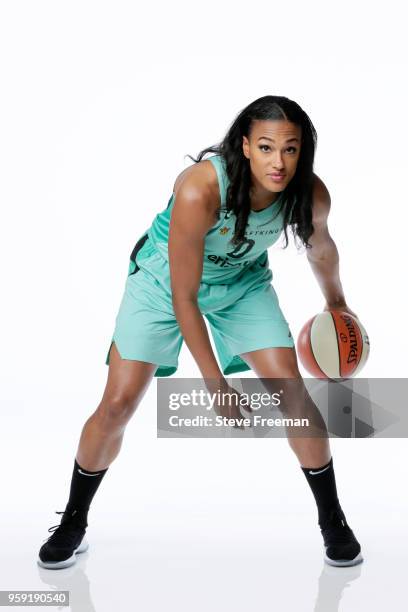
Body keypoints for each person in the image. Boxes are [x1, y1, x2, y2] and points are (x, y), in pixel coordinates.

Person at [38, 95, 363, 569]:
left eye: (290, 149)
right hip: (162, 281)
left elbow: (321, 249)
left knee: (294, 397)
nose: (279, 162)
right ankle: (73, 519)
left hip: (241, 283)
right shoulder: (200, 188)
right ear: (246, 146)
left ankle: (333, 520)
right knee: (117, 405)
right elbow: (184, 296)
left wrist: (337, 306)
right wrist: (216, 383)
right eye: (267, 147)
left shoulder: (309, 193)